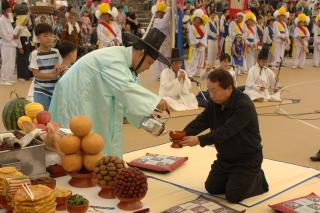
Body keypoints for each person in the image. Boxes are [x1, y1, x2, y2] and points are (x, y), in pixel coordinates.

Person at [49, 28, 170, 158]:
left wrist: (148, 121)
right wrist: (157, 101)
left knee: (100, 137)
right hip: (74, 96)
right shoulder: (114, 59)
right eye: (149, 63)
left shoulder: (128, 67)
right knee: (77, 143)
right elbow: (126, 89)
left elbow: (129, 100)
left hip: (91, 97)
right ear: (141, 54)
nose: (148, 68)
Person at [180, 69, 269, 203]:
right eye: (209, 90)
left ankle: (258, 179)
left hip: (247, 159)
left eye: (214, 90)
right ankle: (236, 178)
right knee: (212, 187)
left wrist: (199, 140)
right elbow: (202, 120)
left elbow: (225, 131)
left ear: (228, 88)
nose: (210, 95)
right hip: (225, 158)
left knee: (233, 196)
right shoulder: (215, 103)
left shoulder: (244, 105)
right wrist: (183, 134)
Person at [29, 23, 63, 110]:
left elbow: (61, 67)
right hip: (41, 90)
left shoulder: (56, 52)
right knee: (42, 115)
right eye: (45, 36)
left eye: (51, 36)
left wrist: (60, 67)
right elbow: (36, 74)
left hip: (55, 89)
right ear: (37, 38)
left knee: (54, 115)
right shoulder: (35, 54)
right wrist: (53, 75)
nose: (49, 38)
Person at [0, 0, 20, 85]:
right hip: (6, 44)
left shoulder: (9, 18)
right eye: (8, 10)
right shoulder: (1, 20)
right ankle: (3, 79)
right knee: (6, 62)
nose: (10, 12)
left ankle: (9, 78)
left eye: (10, 10)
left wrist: (18, 30)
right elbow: (4, 34)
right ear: (4, 11)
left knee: (11, 62)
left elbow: (12, 29)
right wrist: (14, 35)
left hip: (12, 44)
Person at [152, 1, 171, 80]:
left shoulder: (167, 20)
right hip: (159, 43)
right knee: (159, 60)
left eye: (161, 12)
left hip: (165, 43)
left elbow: (166, 22)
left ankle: (165, 74)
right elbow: (163, 24)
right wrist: (169, 10)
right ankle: (159, 75)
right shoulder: (156, 21)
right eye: (159, 12)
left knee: (165, 58)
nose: (160, 14)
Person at [187, 9, 208, 77]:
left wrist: (201, 43)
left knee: (201, 60)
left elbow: (205, 36)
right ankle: (191, 72)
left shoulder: (204, 27)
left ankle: (199, 72)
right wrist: (196, 43)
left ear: (201, 18)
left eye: (198, 18)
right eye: (195, 18)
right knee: (194, 59)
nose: (196, 19)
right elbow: (191, 36)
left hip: (201, 45)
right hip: (195, 45)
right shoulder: (192, 27)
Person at [15, 14, 33, 81]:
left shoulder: (25, 27)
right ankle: (21, 76)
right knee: (21, 60)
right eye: (25, 20)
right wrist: (20, 47)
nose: (26, 22)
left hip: (27, 45)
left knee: (27, 60)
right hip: (22, 45)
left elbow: (28, 36)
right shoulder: (18, 27)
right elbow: (17, 38)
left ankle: (27, 75)